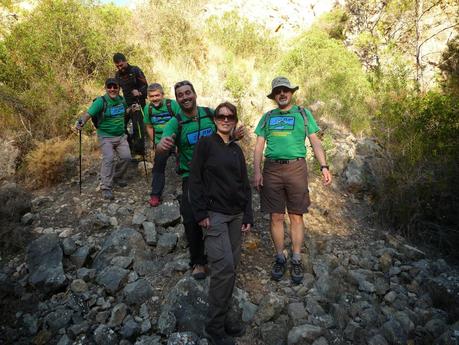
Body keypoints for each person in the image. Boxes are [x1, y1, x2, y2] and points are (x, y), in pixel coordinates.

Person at [253, 76, 332, 284]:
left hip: (296, 168)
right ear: (274, 96)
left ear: (291, 93)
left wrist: (324, 166)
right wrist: (257, 171)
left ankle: (296, 257)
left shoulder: (303, 114)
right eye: (277, 91)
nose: (281, 93)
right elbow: (259, 146)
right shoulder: (268, 117)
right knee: (276, 216)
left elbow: (315, 141)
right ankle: (280, 256)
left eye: (285, 90)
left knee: (296, 216)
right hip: (271, 169)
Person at [189, 102, 252, 345]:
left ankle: (223, 319)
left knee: (231, 268)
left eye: (230, 116)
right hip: (214, 215)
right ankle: (214, 328)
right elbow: (195, 180)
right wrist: (200, 213)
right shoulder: (205, 144)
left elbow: (244, 184)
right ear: (214, 119)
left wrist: (247, 215)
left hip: (236, 216)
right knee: (223, 268)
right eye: (221, 116)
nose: (225, 119)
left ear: (235, 120)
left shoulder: (236, 150)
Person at [156, 80, 216, 279]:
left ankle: (223, 254)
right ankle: (198, 261)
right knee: (191, 218)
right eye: (180, 95)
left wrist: (235, 134)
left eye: (187, 93)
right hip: (191, 177)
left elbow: (227, 132)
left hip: (216, 174)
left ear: (195, 93)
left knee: (225, 212)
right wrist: (163, 144)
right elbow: (162, 142)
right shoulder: (176, 122)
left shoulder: (209, 114)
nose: (185, 97)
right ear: (177, 99)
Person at [75, 78, 139, 200]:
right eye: (109, 87)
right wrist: (81, 122)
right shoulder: (101, 101)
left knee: (126, 157)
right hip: (105, 137)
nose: (112, 89)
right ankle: (106, 187)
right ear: (105, 88)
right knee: (109, 159)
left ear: (119, 88)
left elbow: (125, 111)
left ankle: (117, 176)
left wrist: (132, 109)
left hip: (120, 136)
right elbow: (88, 114)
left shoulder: (121, 100)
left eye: (115, 87)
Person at [143, 83, 181, 207]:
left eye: (157, 95)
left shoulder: (172, 105)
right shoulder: (148, 109)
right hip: (161, 143)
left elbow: (182, 121)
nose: (155, 98)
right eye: (152, 96)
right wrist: (155, 143)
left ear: (162, 95)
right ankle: (155, 195)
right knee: (158, 166)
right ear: (148, 97)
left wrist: (178, 141)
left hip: (176, 140)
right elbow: (149, 126)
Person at [113, 53, 148, 158]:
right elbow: (116, 90)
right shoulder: (117, 75)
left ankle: (139, 152)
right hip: (126, 104)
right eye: (117, 66)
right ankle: (130, 146)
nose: (120, 68)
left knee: (138, 128)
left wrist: (140, 92)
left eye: (121, 65)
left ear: (125, 61)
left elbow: (146, 85)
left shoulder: (135, 70)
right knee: (120, 125)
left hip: (138, 103)